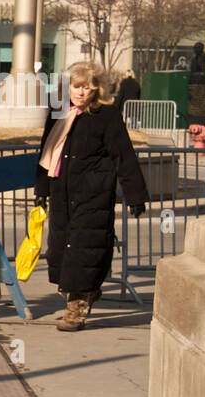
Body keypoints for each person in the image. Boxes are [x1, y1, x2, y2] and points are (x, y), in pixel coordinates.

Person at [34, 62, 148, 332]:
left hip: (93, 194)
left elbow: (123, 155)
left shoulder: (106, 115)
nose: (82, 92)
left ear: (96, 89)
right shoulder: (58, 113)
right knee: (61, 249)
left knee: (84, 249)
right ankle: (83, 293)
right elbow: (46, 153)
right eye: (76, 86)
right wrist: (41, 190)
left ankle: (77, 308)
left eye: (87, 87)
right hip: (62, 191)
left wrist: (135, 195)